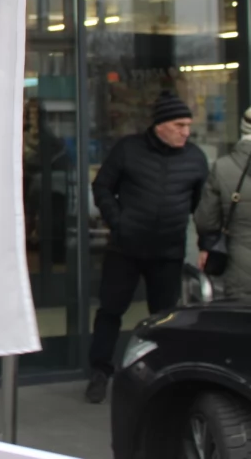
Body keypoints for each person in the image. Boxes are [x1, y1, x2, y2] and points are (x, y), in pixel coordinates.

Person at [86, 90, 208, 403]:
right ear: (160, 125)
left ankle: (162, 376)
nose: (186, 131)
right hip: (125, 249)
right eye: (179, 124)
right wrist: (118, 221)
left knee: (164, 318)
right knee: (110, 312)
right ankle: (100, 372)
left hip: (167, 253)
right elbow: (102, 186)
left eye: (188, 125)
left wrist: (206, 243)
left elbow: (202, 207)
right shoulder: (128, 150)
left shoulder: (195, 158)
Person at [194, 107, 251, 300]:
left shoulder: (222, 167)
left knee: (240, 326)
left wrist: (205, 245)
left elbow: (206, 221)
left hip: (240, 271)